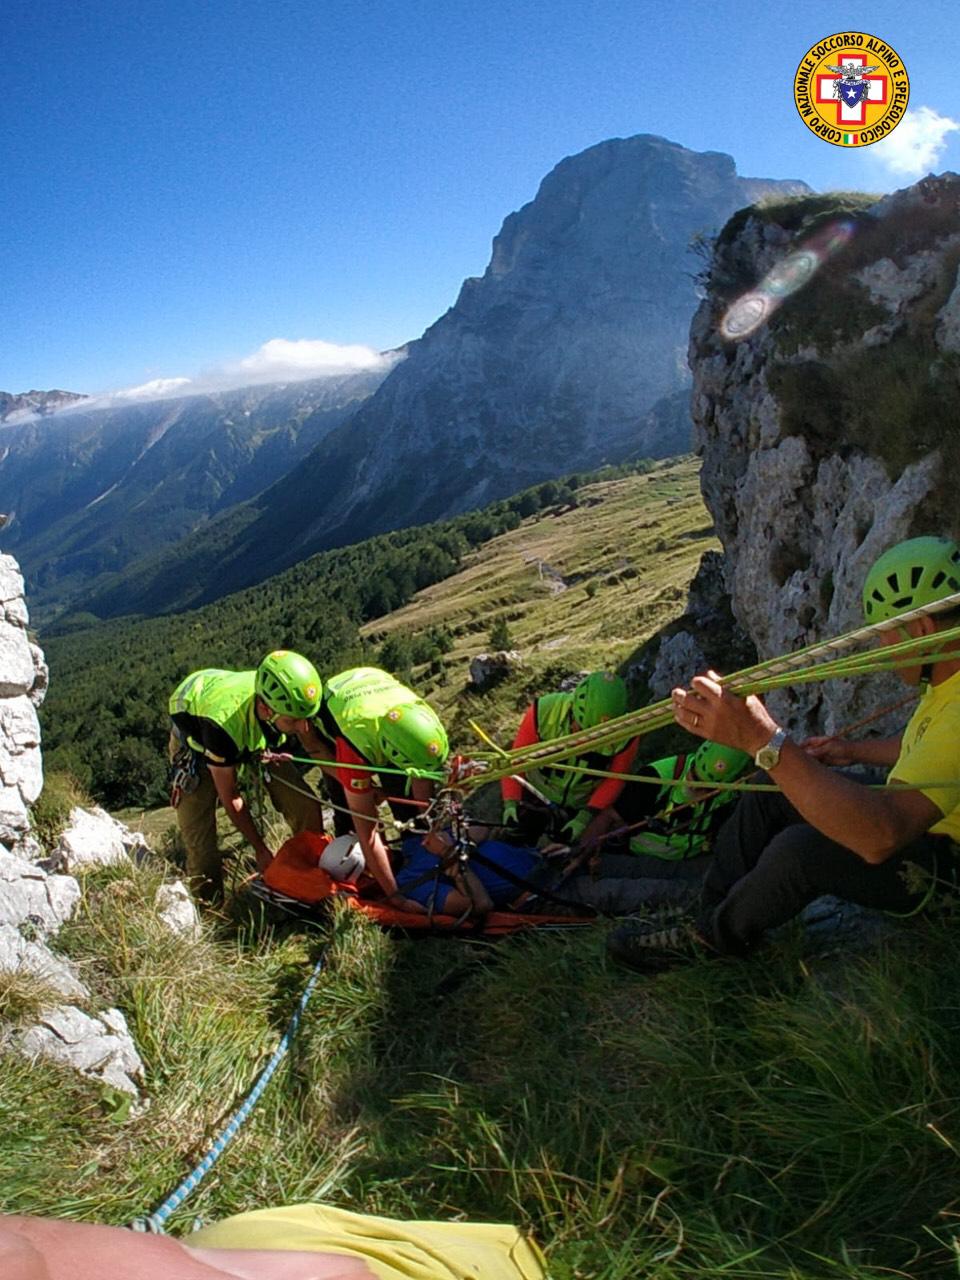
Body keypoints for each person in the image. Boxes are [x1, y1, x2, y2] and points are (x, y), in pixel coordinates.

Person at [607, 536, 960, 971]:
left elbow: (882, 836)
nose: (883, 654)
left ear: (921, 630)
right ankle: (708, 909)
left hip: (944, 871)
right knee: (773, 787)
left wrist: (764, 740)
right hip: (931, 830)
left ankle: (715, 941)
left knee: (801, 850)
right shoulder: (948, 679)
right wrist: (850, 751)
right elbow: (932, 750)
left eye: (886, 636)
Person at [169, 650, 325, 903]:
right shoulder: (220, 728)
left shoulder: (285, 703)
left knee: (304, 804)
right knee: (201, 843)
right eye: (293, 721)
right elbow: (230, 796)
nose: (302, 728)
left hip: (251, 731)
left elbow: (313, 745)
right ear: (265, 709)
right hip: (197, 741)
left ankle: (312, 873)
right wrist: (261, 850)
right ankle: (211, 913)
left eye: (305, 719)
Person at [296, 666, 450, 910]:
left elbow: (423, 778)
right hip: (342, 707)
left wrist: (429, 824)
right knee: (351, 817)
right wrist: (397, 897)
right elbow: (367, 829)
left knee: (409, 806)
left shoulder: (423, 728)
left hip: (379, 695)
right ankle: (367, 879)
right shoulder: (354, 746)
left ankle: (410, 856)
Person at [500, 672, 638, 847]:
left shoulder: (627, 734)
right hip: (535, 794)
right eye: (580, 729)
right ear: (573, 708)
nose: (584, 742)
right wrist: (511, 802)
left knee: (568, 854)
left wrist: (585, 816)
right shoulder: (543, 711)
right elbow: (515, 760)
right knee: (513, 839)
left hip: (583, 804)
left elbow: (616, 777)